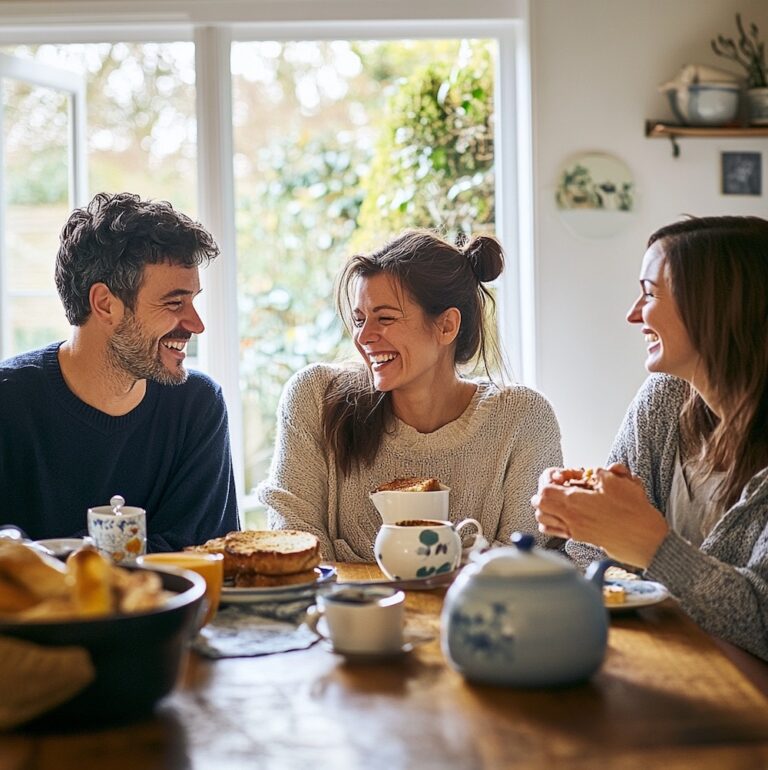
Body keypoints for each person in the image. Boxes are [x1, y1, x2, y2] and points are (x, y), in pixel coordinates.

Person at [533, 215, 768, 660]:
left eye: (649, 293)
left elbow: (762, 620)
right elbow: (586, 555)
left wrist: (653, 548)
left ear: (713, 306)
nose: (633, 313)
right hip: (667, 665)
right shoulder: (664, 398)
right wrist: (585, 516)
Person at [257, 229, 562, 561]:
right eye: (359, 320)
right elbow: (296, 547)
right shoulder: (315, 397)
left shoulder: (524, 419)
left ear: (446, 326)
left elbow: (527, 563)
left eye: (385, 318)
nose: (364, 337)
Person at [0, 192, 240, 551]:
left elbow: (205, 556)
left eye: (194, 301)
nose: (197, 324)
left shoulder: (198, 405)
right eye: (175, 302)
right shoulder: (9, 403)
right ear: (105, 304)